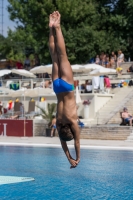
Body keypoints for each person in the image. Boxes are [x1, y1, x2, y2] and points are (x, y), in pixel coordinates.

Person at [49, 11, 80, 168]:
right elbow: (64, 144)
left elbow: (76, 141)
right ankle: (51, 28)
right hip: (57, 88)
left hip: (67, 87)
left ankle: (58, 27)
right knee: (54, 57)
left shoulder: (71, 121)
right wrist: (69, 158)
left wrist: (77, 158)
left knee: (62, 55)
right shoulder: (59, 123)